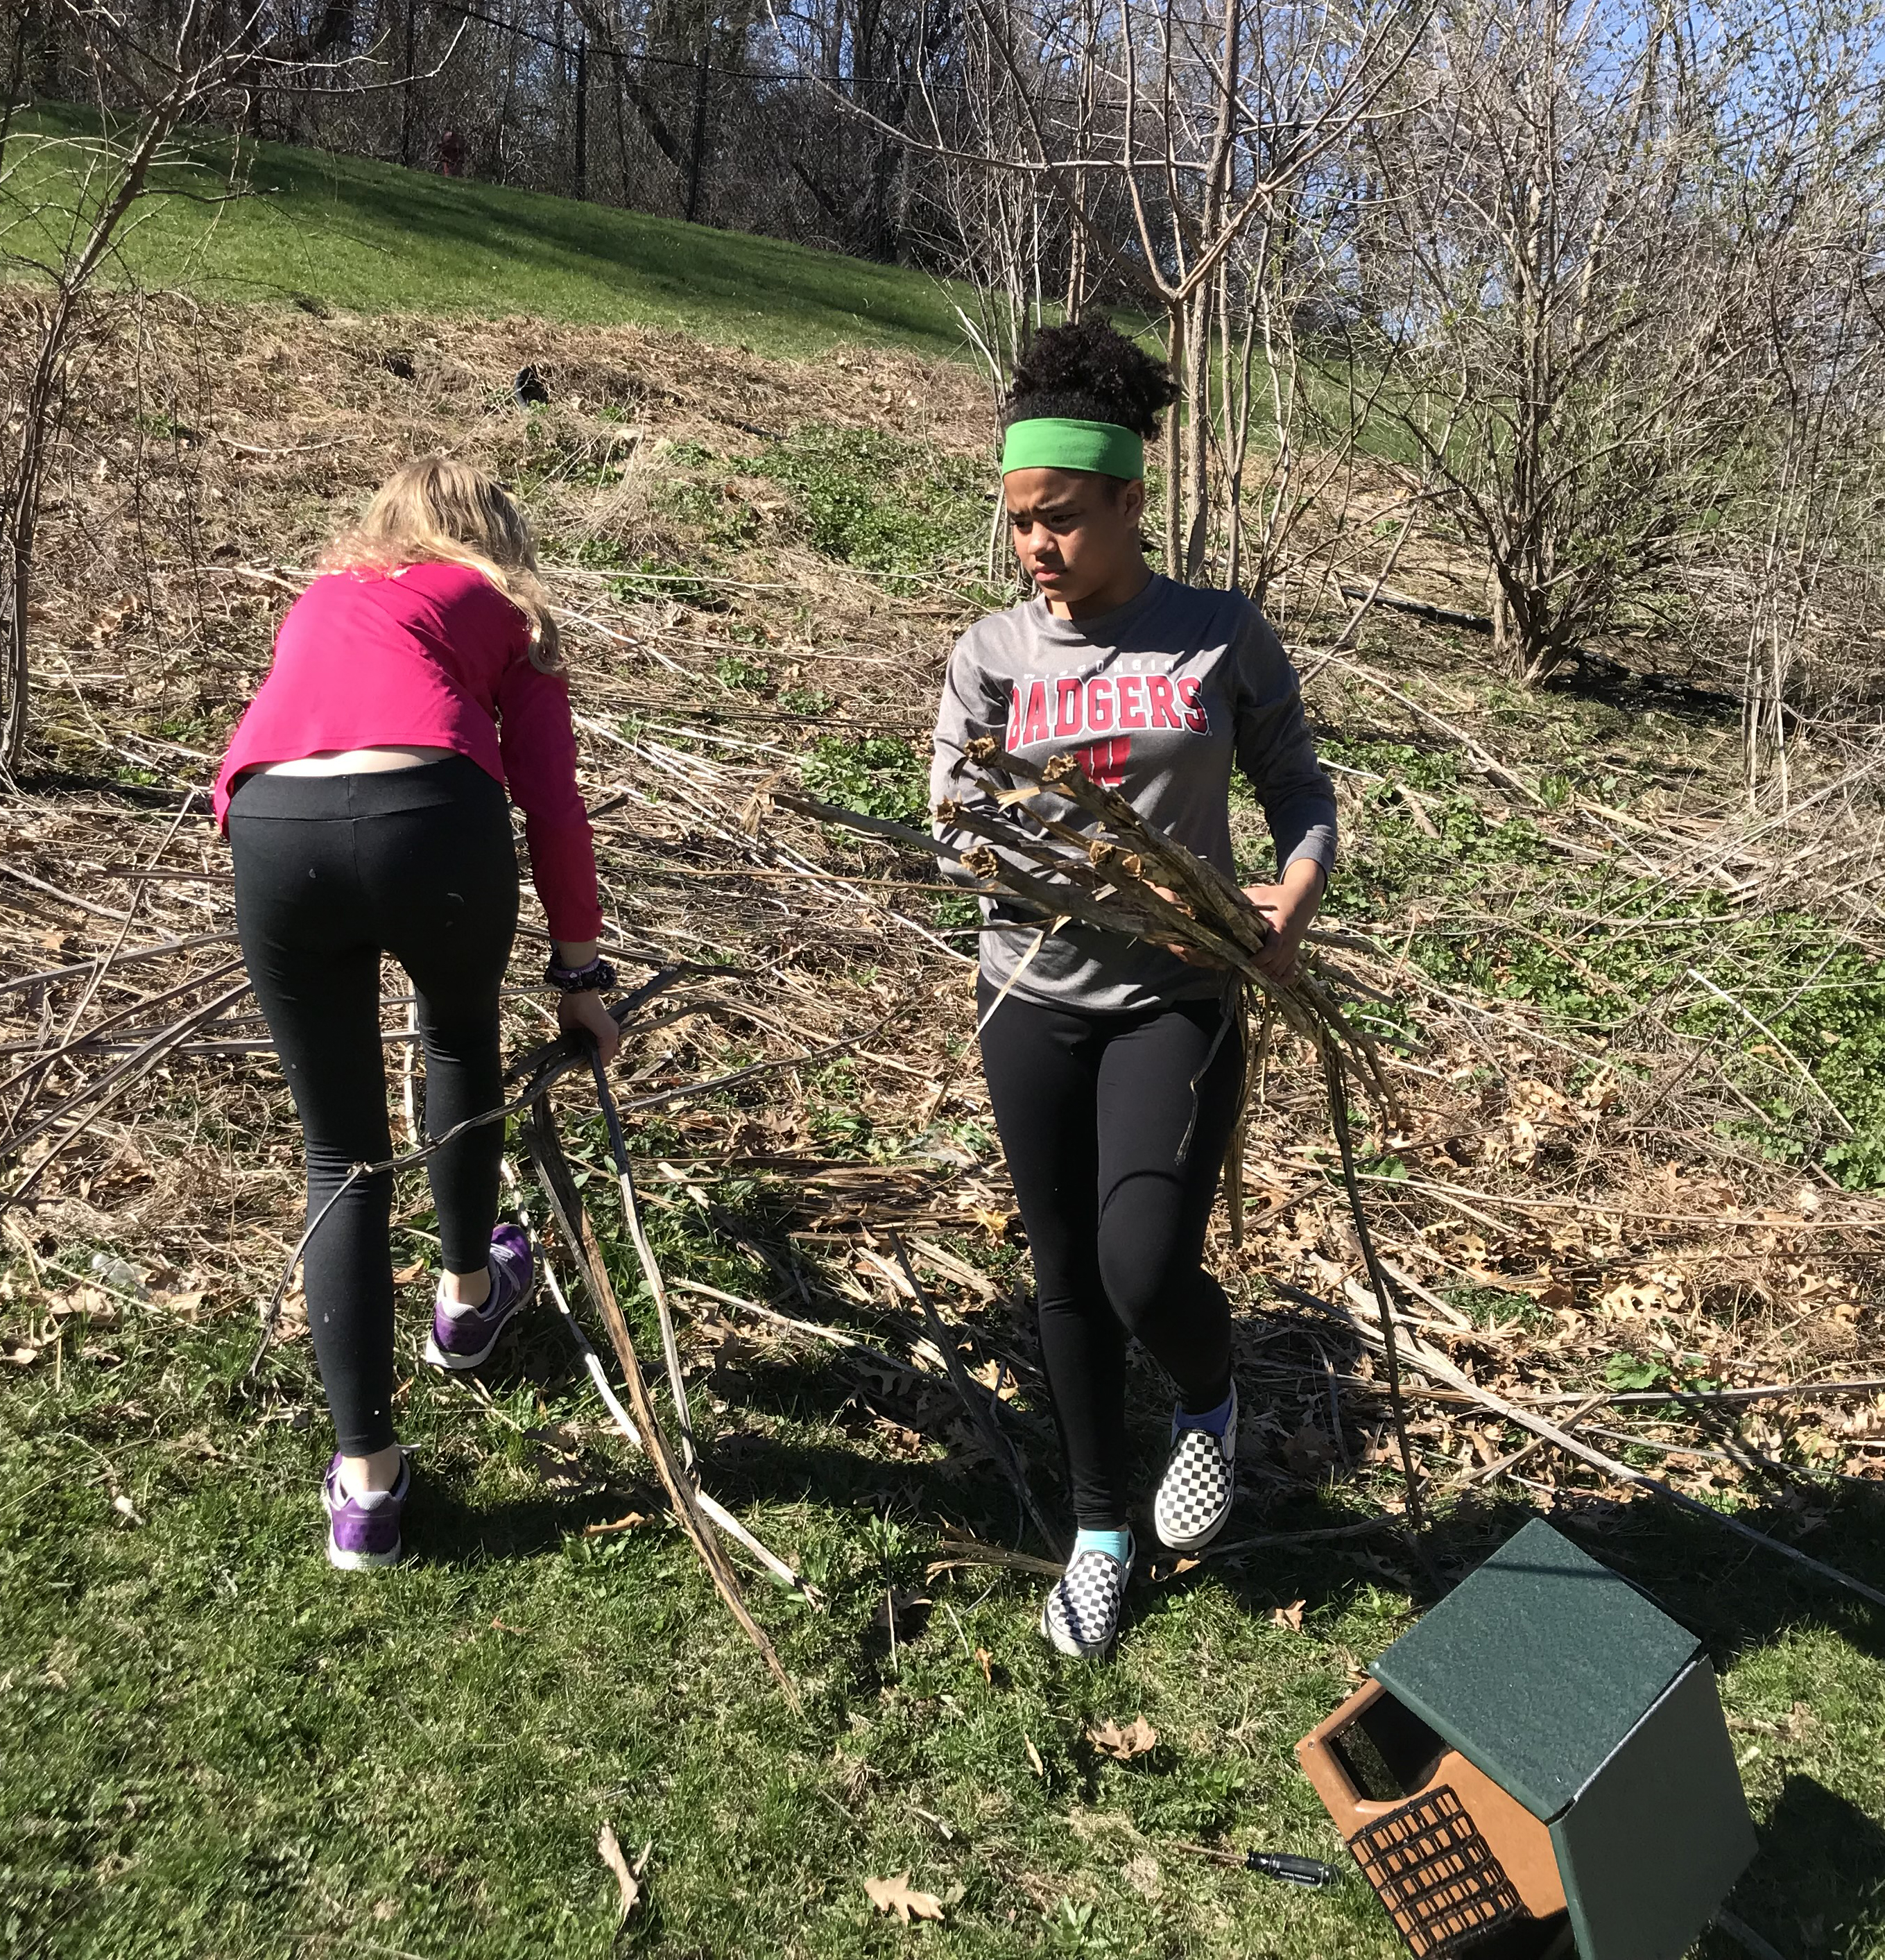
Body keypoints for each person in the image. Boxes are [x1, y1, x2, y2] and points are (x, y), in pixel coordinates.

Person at [930, 319, 1337, 1659]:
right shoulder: (991, 655)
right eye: (1018, 523)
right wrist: (1006, 842)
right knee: (1061, 1275)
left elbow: (1297, 788)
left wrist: (1295, 884)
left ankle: (1208, 1398)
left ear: (1125, 500)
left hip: (1177, 991)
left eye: (1060, 519)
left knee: (1141, 1259)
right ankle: (1099, 1529)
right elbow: (951, 821)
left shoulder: (1215, 635)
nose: (1035, 547)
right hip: (1029, 992)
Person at [214, 457, 621, 1573]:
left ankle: (366, 1486)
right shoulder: (508, 610)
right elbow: (550, 797)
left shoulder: (327, 592)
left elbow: (278, 727)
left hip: (275, 823)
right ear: (494, 535)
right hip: (431, 812)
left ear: (390, 526)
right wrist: (579, 972)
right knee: (456, 1034)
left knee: (339, 1151)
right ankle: (466, 1300)